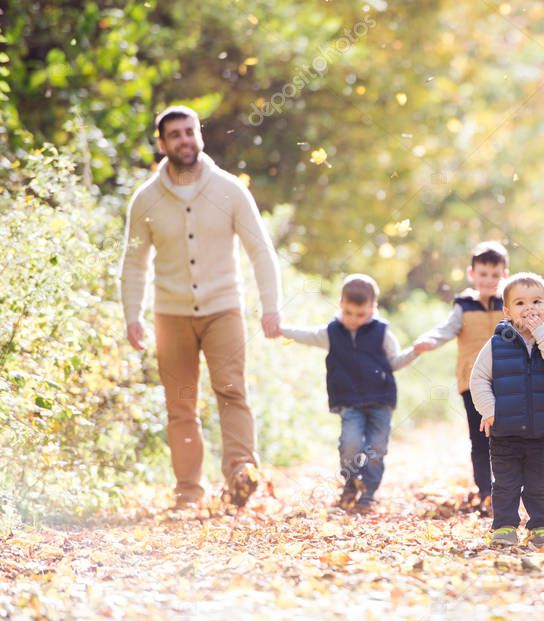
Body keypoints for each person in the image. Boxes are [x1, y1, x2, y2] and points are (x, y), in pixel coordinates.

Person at [120, 105, 282, 510]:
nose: (184, 140)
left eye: (190, 132)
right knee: (180, 403)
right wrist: (132, 314)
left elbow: (260, 251)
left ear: (200, 135)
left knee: (231, 390)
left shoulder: (230, 190)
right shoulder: (146, 200)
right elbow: (134, 262)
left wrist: (271, 306)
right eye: (174, 135)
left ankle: (241, 473)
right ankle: (189, 492)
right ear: (161, 144)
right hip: (170, 313)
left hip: (223, 307)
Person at [279, 274, 418, 511]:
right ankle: (351, 483)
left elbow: (394, 361)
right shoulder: (332, 332)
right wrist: (282, 330)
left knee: (376, 448)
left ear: (373, 309)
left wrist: (415, 351)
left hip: (380, 401)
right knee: (350, 444)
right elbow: (307, 335)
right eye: (348, 313)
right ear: (340, 305)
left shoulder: (382, 332)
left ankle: (368, 491)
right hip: (349, 402)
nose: (353, 320)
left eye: (360, 314)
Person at [470, 273, 544, 548]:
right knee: (505, 484)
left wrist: (543, 333)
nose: (529, 308)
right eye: (520, 303)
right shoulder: (497, 343)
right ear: (507, 311)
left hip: (543, 430)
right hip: (505, 430)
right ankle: (504, 527)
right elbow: (479, 378)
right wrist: (490, 409)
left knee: (540, 483)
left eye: (536, 301)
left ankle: (542, 526)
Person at [413, 241, 509, 515]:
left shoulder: (510, 302)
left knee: (507, 437)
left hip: (508, 380)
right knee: (481, 438)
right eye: (483, 274)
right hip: (473, 381)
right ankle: (486, 492)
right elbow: (447, 329)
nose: (488, 280)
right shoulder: (464, 306)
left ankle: (508, 489)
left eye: (494, 274)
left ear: (504, 274)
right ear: (472, 274)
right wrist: (429, 341)